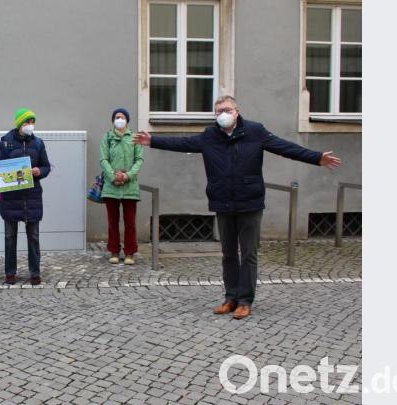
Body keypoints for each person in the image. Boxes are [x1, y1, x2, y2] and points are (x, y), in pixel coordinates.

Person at [134, 95, 341, 320]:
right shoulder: (210, 136)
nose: (223, 114)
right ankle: (230, 297)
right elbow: (182, 143)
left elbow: (284, 147)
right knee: (228, 254)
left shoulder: (255, 131)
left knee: (249, 254)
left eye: (227, 110)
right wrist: (152, 141)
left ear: (237, 111)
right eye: (218, 111)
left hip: (249, 202)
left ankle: (245, 301)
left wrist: (317, 158)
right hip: (223, 202)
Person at [0, 108, 51, 285]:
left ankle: (35, 273)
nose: (30, 125)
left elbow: (46, 166)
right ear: (20, 123)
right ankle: (10, 273)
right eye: (27, 122)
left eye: (32, 122)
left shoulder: (38, 143)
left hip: (32, 198)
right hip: (11, 199)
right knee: (10, 237)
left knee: (33, 237)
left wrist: (39, 171)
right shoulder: (6, 142)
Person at [100, 108, 144, 265]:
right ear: (113, 120)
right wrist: (113, 176)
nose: (120, 120)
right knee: (113, 222)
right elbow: (103, 159)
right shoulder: (107, 137)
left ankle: (130, 252)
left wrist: (128, 175)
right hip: (111, 187)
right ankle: (114, 250)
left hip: (129, 186)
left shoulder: (134, 138)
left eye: (122, 117)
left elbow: (139, 159)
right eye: (117, 117)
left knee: (130, 222)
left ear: (127, 120)